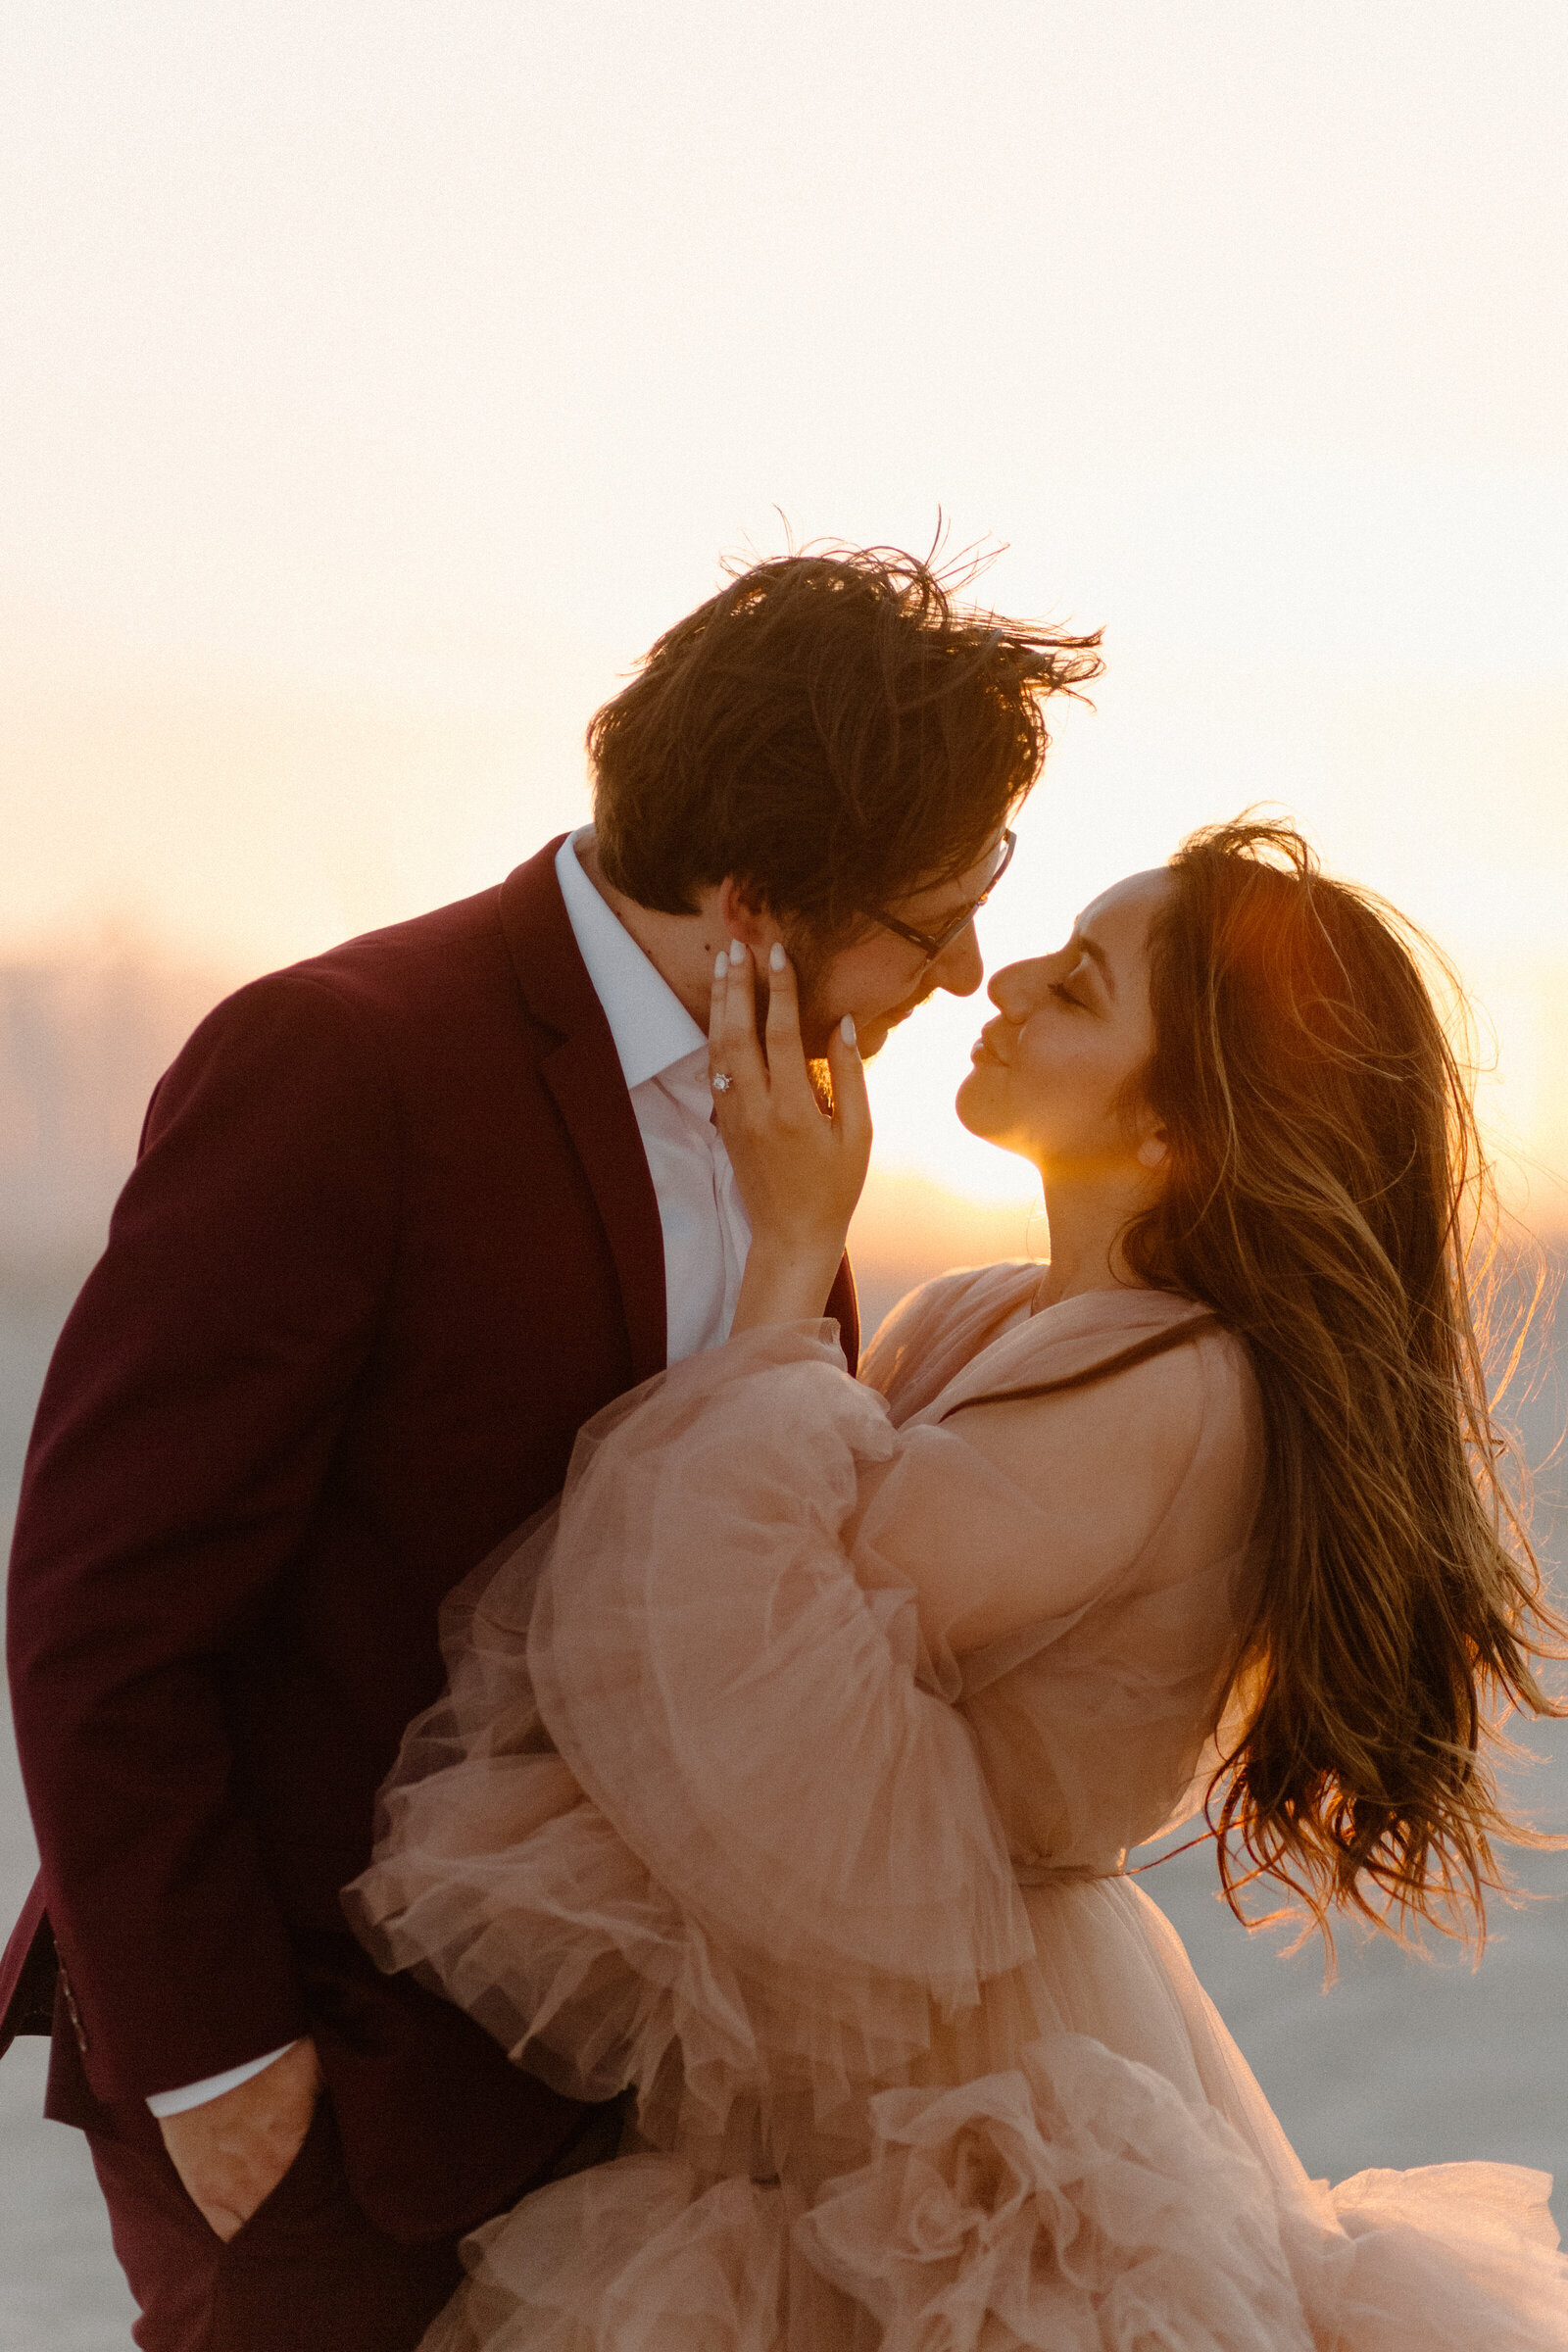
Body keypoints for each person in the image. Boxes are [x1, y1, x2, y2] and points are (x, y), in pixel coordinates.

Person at [0, 546, 1102, 2352]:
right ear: (751, 902)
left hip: (617, 2106)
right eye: (929, 918)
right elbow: (98, 1607)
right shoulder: (343, 1062)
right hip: (318, 2089)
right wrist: (218, 2073)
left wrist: (796, 1259)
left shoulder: (801, 1143)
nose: (969, 963)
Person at [349, 818, 1568, 2349]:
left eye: (1081, 987)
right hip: (885, 2049)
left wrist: (794, 1243)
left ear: (1177, 1128)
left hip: (996, 2095)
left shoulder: (1169, 1383)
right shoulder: (999, 1312)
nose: (1008, 982)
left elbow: (747, 1658)